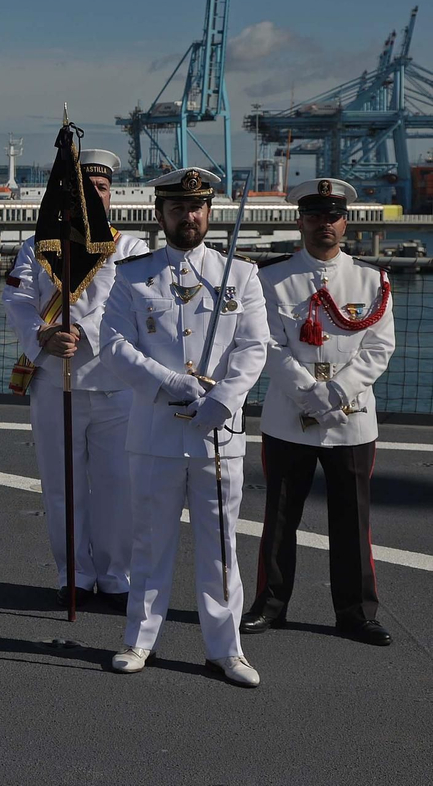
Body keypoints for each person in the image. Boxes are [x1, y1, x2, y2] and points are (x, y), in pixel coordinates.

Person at [100, 167, 269, 687]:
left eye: (196, 208)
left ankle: (226, 648)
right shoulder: (130, 276)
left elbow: (253, 347)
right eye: (177, 208)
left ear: (209, 214)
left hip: (218, 433)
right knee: (149, 542)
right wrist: (170, 381)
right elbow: (113, 346)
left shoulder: (239, 274)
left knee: (220, 545)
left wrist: (224, 399)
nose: (187, 216)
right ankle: (138, 639)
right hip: (155, 431)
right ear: (160, 215)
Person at [243, 178, 396, 647]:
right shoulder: (268, 278)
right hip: (291, 415)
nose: (323, 225)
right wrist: (308, 392)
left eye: (331, 216)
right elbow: (265, 344)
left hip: (351, 418)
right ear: (300, 220)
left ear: (345, 221)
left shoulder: (373, 279)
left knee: (353, 521)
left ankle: (356, 613)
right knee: (281, 515)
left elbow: (379, 347)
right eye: (313, 215)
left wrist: (335, 392)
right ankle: (271, 605)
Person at [1, 148, 149, 609]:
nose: (96, 196)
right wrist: (40, 334)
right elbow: (18, 299)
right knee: (62, 485)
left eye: (103, 189)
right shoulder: (39, 245)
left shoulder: (131, 248)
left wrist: (88, 330)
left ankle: (115, 573)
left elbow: (139, 307)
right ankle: (75, 573)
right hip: (54, 380)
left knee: (117, 488)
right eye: (87, 189)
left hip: (115, 383)